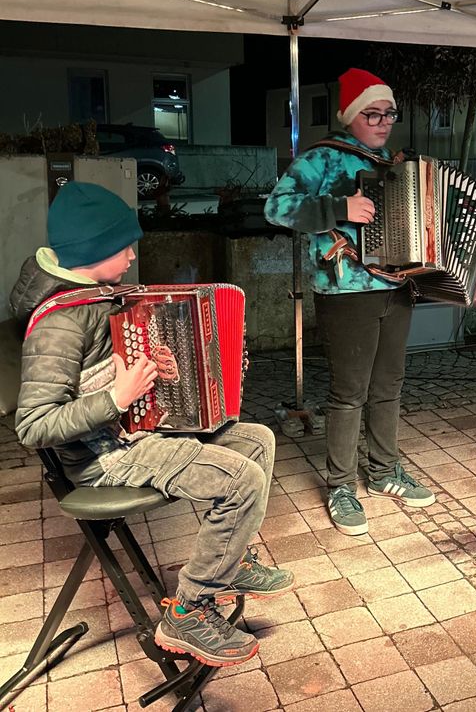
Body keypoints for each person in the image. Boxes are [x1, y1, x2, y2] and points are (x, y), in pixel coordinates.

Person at [12, 181, 293, 668]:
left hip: (129, 433)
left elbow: (113, 364)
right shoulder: (60, 321)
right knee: (240, 480)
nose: (132, 254)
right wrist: (116, 397)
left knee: (257, 441)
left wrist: (151, 369)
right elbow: (33, 425)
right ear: (93, 251)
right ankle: (188, 609)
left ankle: (230, 561)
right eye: (124, 245)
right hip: (105, 458)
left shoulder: (97, 296)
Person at [264, 68, 436, 536]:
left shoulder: (395, 164)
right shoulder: (322, 158)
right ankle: (341, 484)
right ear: (351, 116)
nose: (382, 122)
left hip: (397, 287)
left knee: (389, 384)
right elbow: (275, 208)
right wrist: (338, 209)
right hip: (345, 292)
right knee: (349, 392)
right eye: (372, 113)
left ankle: (382, 471)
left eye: (388, 114)